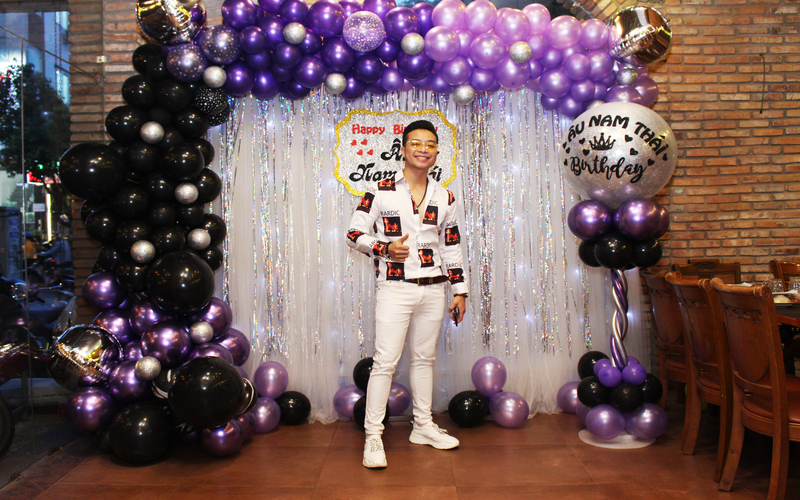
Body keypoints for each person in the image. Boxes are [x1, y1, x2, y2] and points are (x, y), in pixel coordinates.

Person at [346, 120, 469, 469]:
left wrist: (459, 290)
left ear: (436, 152)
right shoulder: (380, 190)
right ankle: (373, 436)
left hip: (434, 288)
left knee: (424, 360)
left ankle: (423, 426)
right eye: (416, 143)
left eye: (430, 144)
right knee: (385, 362)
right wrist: (384, 248)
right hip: (395, 288)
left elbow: (451, 246)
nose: (422, 150)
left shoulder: (445, 196)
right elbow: (353, 233)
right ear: (403, 149)